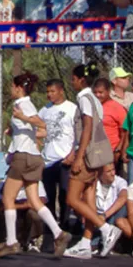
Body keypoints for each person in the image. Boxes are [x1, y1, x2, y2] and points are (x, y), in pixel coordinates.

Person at [0, 72, 70, 258]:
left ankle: (12, 242)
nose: (10, 90)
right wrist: (15, 129)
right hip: (34, 157)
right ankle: (59, 233)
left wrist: (23, 118)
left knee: (7, 198)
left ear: (19, 88)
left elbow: (40, 123)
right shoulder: (25, 104)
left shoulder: (22, 104)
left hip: (23, 157)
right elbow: (34, 130)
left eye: (12, 86)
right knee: (34, 200)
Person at [66, 62, 121, 259]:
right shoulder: (96, 100)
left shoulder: (84, 98)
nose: (71, 82)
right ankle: (86, 243)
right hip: (98, 155)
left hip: (88, 155)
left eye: (73, 79)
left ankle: (106, 229)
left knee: (72, 198)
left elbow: (87, 127)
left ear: (81, 80)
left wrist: (78, 157)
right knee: (88, 198)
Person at [65, 163, 128, 259]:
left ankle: (105, 235)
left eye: (113, 170)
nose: (112, 173)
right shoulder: (93, 183)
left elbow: (123, 197)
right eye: (108, 171)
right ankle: (91, 243)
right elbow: (81, 201)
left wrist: (104, 215)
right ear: (100, 174)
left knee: (122, 208)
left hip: (109, 215)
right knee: (82, 209)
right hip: (96, 216)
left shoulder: (120, 181)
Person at [39, 79, 77, 230]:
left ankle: (65, 228)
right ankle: (50, 231)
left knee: (65, 195)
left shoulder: (72, 108)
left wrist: (73, 153)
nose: (49, 95)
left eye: (52, 91)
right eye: (47, 91)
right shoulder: (45, 109)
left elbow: (77, 133)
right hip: (47, 160)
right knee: (48, 197)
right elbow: (37, 126)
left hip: (64, 159)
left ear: (61, 91)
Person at [93, 78, 128, 168]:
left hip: (112, 152)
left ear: (108, 91)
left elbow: (125, 132)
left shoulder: (117, 108)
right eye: (95, 92)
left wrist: (118, 150)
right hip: (96, 152)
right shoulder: (93, 107)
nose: (98, 95)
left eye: (101, 92)